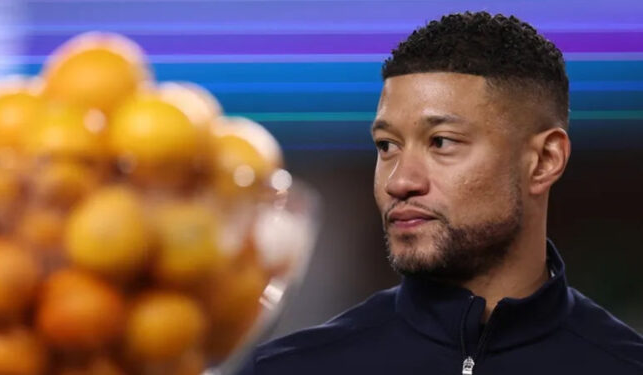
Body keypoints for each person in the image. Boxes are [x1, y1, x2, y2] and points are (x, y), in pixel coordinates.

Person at [236, 11, 643, 375]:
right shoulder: (286, 368)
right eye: (386, 145)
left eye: (442, 142)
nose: (399, 181)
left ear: (544, 160)